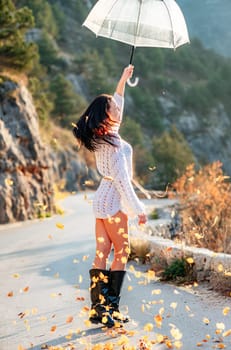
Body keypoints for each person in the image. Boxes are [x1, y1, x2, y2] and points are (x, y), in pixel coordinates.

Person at [73, 65, 147, 328]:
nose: (118, 109)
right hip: (114, 202)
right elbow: (124, 183)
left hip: (100, 202)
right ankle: (111, 309)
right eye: (113, 109)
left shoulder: (103, 137)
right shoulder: (114, 146)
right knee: (122, 251)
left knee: (102, 252)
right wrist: (139, 209)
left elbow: (119, 102)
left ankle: (97, 308)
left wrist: (122, 81)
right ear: (106, 115)